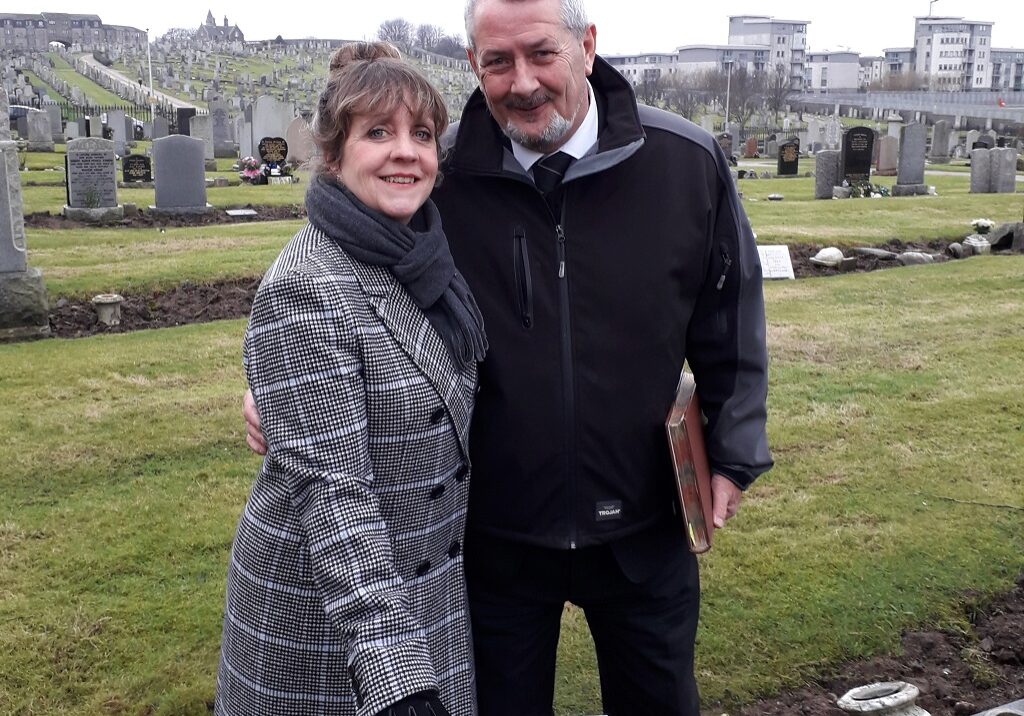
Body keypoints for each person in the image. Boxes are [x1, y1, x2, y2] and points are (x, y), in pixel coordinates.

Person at [245, 0, 772, 712]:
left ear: (587, 46)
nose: (521, 81)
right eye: (498, 61)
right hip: (495, 533)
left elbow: (727, 309)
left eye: (540, 54)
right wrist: (274, 390)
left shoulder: (682, 162)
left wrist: (735, 451)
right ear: (473, 65)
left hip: (644, 522)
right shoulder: (440, 168)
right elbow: (351, 275)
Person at [218, 42, 486, 716]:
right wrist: (395, 672)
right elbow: (335, 496)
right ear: (333, 157)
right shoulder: (307, 287)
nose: (406, 152)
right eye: (378, 133)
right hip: (329, 622)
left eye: (421, 134)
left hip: (431, 592)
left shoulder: (426, 255)